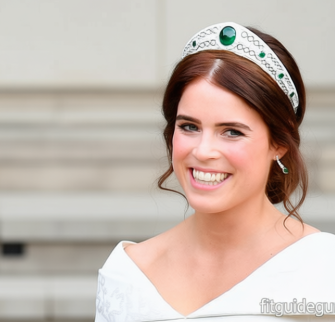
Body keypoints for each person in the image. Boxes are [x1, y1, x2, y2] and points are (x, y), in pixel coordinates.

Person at [95, 22, 335, 321]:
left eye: (232, 132)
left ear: (279, 143)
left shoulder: (323, 269)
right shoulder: (127, 274)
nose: (203, 151)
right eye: (189, 127)